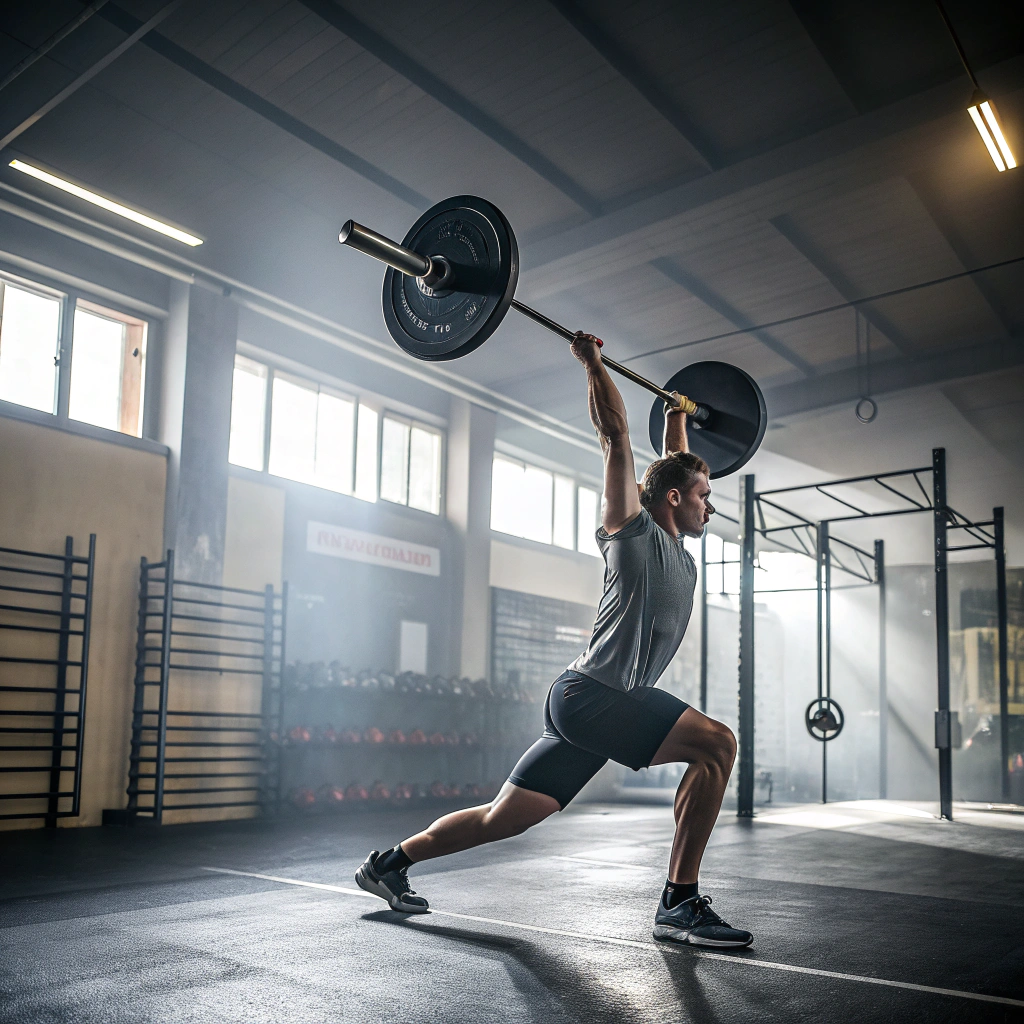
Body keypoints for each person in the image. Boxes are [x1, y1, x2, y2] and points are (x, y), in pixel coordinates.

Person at [356, 332, 752, 949]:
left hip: (591, 704)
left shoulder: (676, 543)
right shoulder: (631, 532)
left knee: (504, 818)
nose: (711, 507)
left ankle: (387, 865)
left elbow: (675, 469)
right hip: (596, 695)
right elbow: (617, 439)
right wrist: (593, 365)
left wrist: (678, 417)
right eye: (707, 497)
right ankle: (679, 900)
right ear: (674, 501)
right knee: (717, 745)